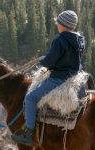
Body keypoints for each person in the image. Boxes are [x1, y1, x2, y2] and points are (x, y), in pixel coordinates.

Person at [11, 10, 85, 146]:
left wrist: (42, 60)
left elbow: (49, 62)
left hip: (59, 79)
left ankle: (28, 134)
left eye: (59, 22)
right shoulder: (80, 39)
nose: (57, 24)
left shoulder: (60, 40)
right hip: (74, 77)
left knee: (30, 98)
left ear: (63, 25)